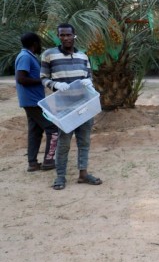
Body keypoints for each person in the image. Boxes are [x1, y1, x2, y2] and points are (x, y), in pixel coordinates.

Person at [40, 23, 102, 190]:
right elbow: (43, 78)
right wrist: (55, 85)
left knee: (84, 142)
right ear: (58, 36)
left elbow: (89, 77)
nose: (65, 38)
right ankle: (60, 176)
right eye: (62, 35)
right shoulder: (49, 55)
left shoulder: (83, 56)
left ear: (74, 36)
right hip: (63, 108)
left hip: (84, 107)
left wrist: (89, 82)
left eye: (68, 35)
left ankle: (83, 174)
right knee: (64, 143)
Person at [15, 32, 59, 172]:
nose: (40, 46)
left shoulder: (27, 56)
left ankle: (33, 163)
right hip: (33, 102)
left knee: (35, 131)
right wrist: (43, 80)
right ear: (34, 44)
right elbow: (21, 78)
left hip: (32, 101)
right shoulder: (25, 57)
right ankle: (48, 161)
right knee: (52, 129)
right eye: (39, 43)